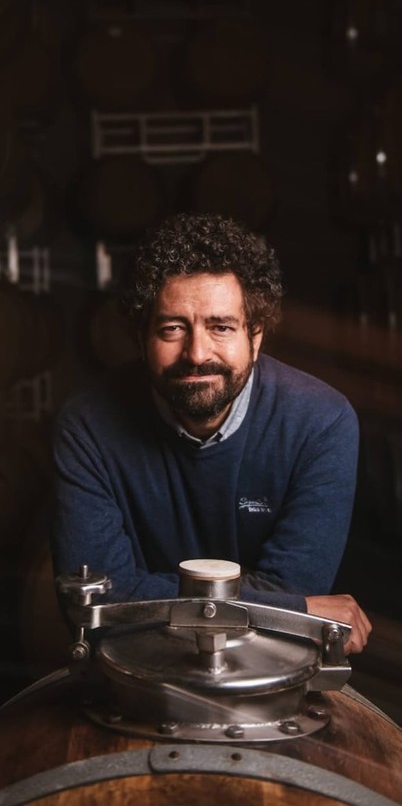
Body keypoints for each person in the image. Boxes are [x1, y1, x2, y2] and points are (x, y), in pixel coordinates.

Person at [52, 213, 371, 654]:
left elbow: (291, 597)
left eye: (221, 327)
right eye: (172, 328)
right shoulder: (87, 425)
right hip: (135, 668)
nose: (197, 353)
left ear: (255, 336)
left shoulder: (322, 421)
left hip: (271, 669)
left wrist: (147, 597)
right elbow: (97, 603)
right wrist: (290, 609)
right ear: (141, 337)